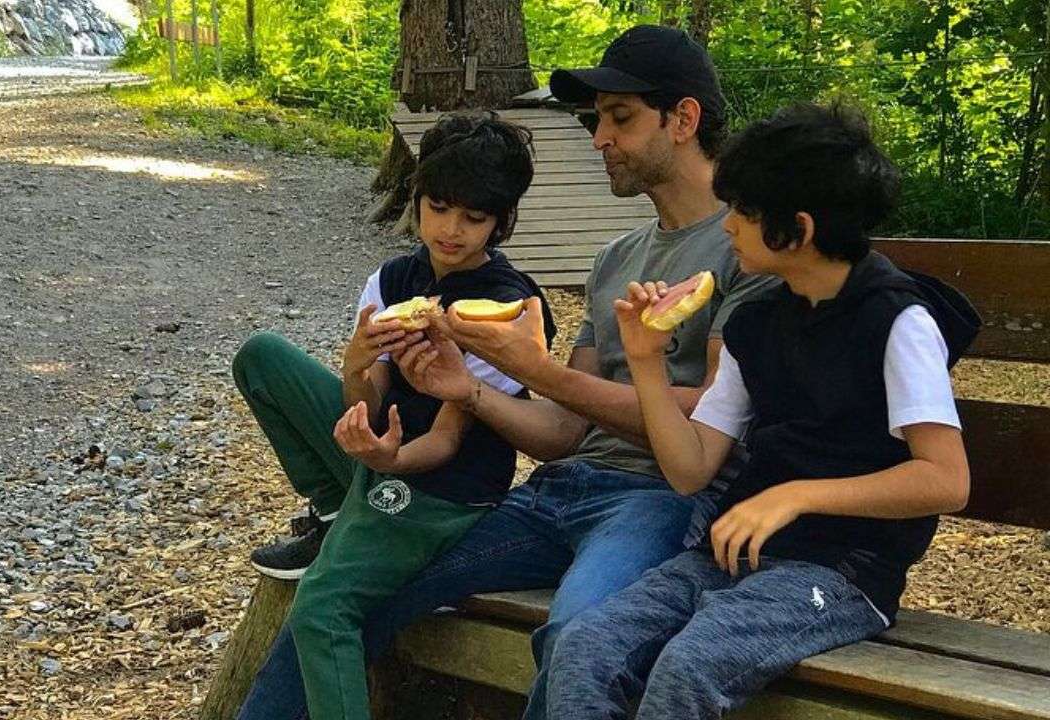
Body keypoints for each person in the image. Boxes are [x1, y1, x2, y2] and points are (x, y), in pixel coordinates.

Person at [237, 25, 776, 720]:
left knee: (578, 634)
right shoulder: (617, 256)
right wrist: (470, 392)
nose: (598, 140)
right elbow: (559, 435)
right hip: (557, 492)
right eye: (595, 122)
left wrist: (537, 371)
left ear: (684, 119)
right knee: (344, 590)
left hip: (658, 500)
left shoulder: (744, 249)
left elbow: (708, 416)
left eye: (619, 118)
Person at [544, 102, 979, 719]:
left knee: (688, 667)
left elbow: (945, 478)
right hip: (732, 557)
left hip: (841, 570)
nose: (727, 228)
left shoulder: (897, 321)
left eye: (743, 214)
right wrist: (645, 360)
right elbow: (692, 469)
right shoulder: (756, 322)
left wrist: (796, 495)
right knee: (587, 645)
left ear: (796, 229)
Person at [231, 111, 557, 720]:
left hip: (442, 485)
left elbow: (446, 442)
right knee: (263, 357)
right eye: (438, 207)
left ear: (502, 220)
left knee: (324, 606)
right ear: (417, 198)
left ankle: (354, 519)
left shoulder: (508, 308)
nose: (451, 230)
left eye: (474, 217)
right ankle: (334, 510)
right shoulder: (393, 279)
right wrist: (357, 363)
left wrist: (390, 460)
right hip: (383, 453)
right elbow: (367, 402)